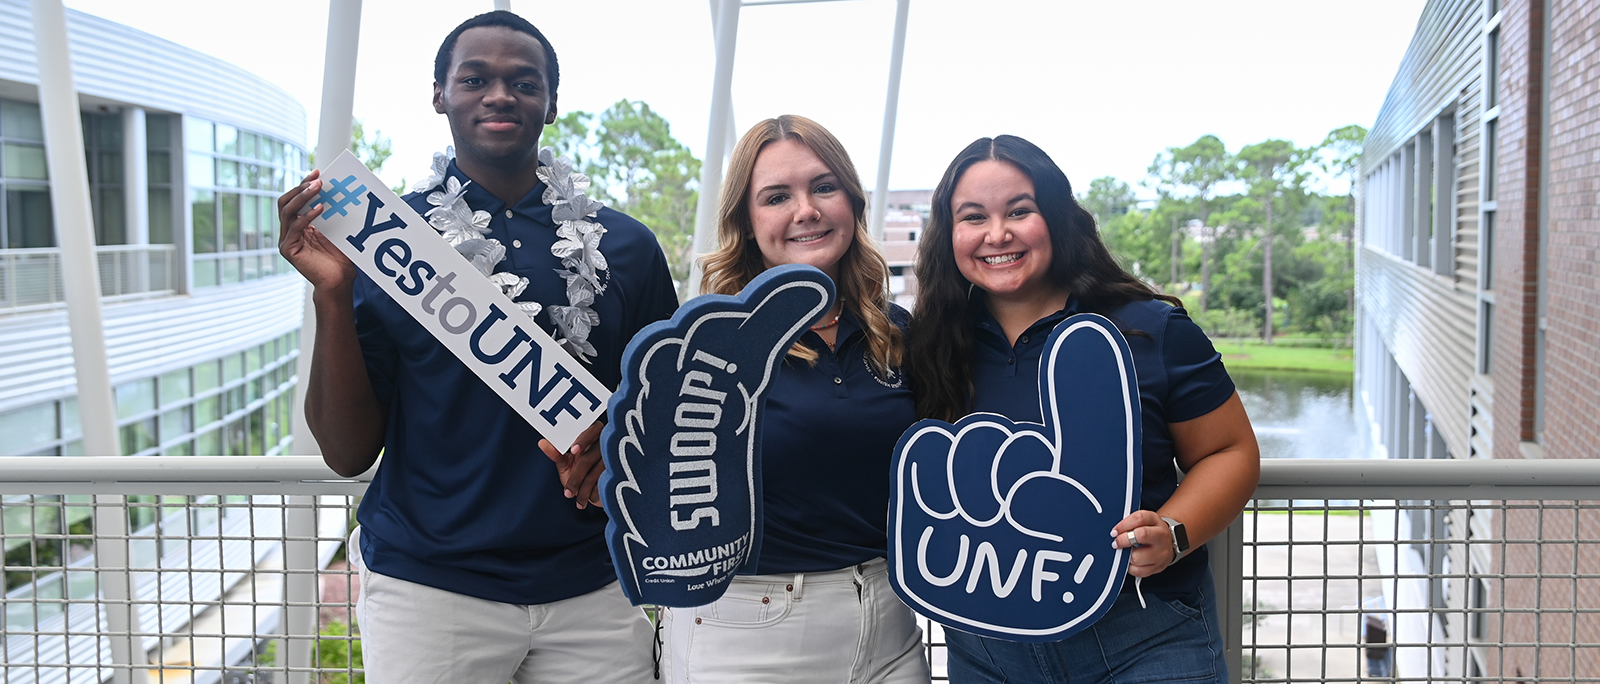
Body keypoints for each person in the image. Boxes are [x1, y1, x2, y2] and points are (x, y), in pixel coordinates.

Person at [276, 11, 677, 683]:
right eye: (474, 78)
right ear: (440, 95)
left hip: (595, 584)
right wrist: (333, 296)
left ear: (552, 102)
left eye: (524, 81)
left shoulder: (628, 247)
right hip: (428, 589)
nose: (499, 94)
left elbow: (662, 418)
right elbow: (347, 454)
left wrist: (615, 448)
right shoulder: (386, 247)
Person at [906, 135, 1260, 683]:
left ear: (1056, 217)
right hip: (988, 646)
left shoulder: (1150, 329)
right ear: (948, 235)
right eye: (973, 217)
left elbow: (1230, 451)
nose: (997, 234)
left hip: (1144, 635)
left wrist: (1174, 531)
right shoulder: (926, 346)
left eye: (1019, 211)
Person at [657, 114, 931, 683]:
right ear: (747, 221)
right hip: (752, 631)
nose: (806, 209)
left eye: (824, 187)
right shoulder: (710, 343)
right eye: (777, 196)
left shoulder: (894, 332)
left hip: (894, 624)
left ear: (852, 202)